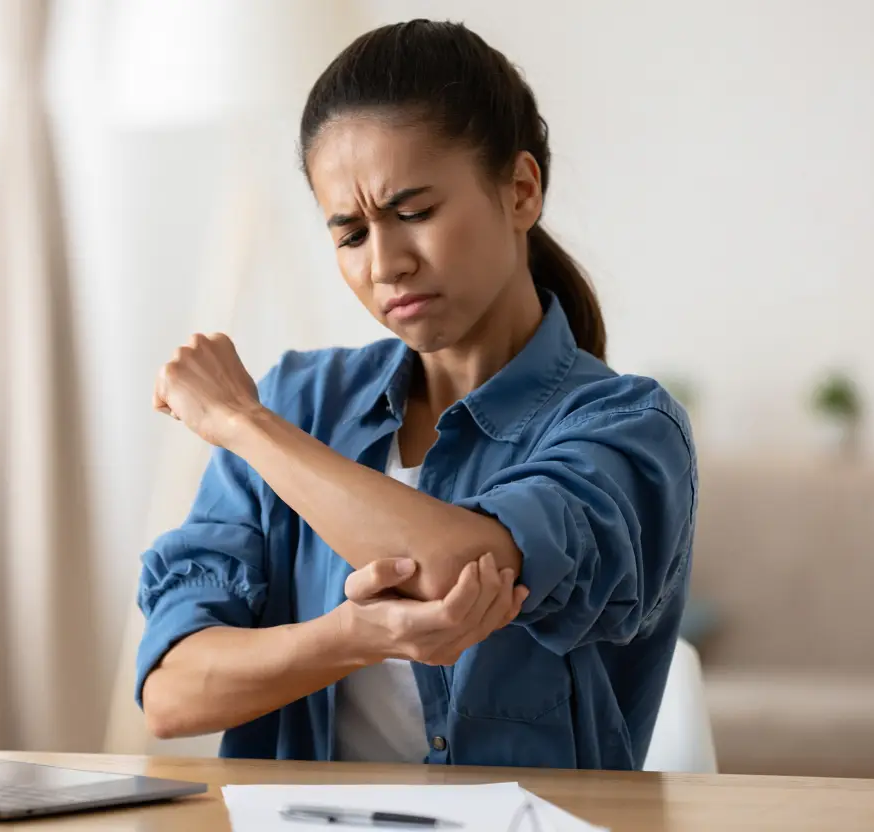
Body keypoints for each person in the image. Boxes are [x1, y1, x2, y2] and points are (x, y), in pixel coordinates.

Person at [134, 19, 696, 770]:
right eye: (351, 235)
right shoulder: (301, 403)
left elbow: (460, 574)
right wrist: (349, 638)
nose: (386, 264)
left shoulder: (628, 426)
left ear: (521, 190)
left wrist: (240, 421)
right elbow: (171, 694)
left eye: (414, 213)